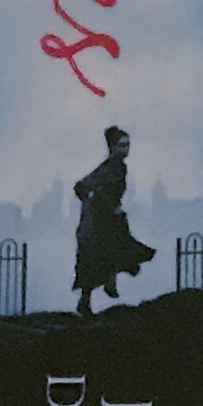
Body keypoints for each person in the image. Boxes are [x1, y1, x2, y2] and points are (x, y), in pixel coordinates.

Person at [71, 124, 154, 313]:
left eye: (128, 145)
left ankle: (101, 288)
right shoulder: (113, 168)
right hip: (100, 222)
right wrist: (108, 205)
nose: (126, 149)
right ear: (112, 147)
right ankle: (103, 287)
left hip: (104, 221)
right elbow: (85, 187)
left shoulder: (112, 167)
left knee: (105, 255)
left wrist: (99, 201)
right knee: (104, 255)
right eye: (122, 145)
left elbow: (84, 187)